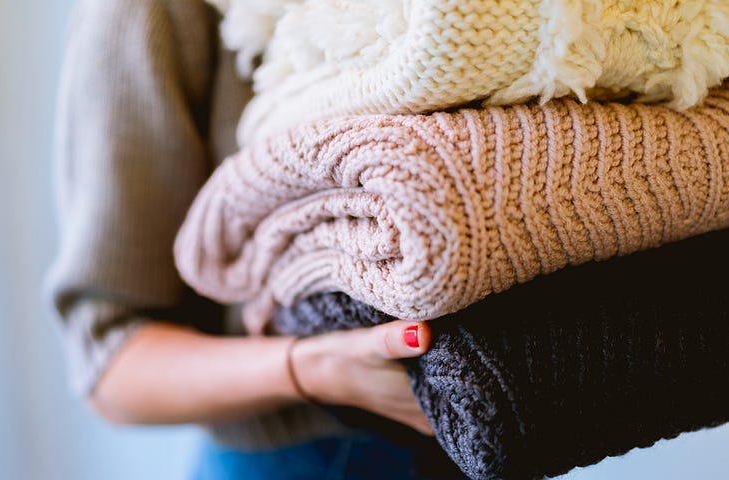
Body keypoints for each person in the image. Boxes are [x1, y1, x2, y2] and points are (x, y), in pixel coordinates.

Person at [45, 0, 440, 478]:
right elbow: (109, 365)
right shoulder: (150, 13)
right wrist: (309, 368)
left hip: (494, 441)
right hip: (305, 460)